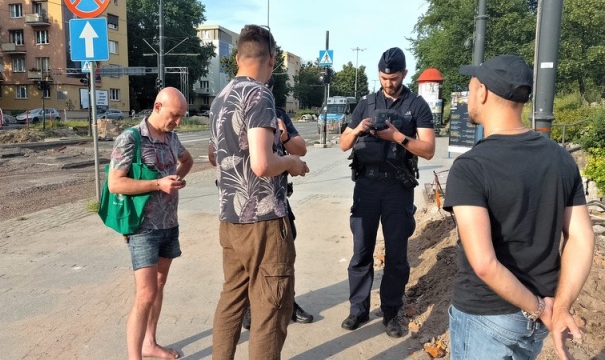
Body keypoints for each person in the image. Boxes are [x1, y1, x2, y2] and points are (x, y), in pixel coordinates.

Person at [444, 55, 595, 359]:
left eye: (471, 87)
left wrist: (538, 308)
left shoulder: (470, 168)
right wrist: (559, 307)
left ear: (483, 92)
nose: (469, 96)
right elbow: (581, 237)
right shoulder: (560, 158)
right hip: (538, 318)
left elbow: (484, 264)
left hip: (485, 315)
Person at [208, 25, 309, 360]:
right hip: (263, 219)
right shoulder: (260, 95)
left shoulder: (220, 99)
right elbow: (263, 164)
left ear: (238, 57)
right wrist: (292, 161)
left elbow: (213, 156)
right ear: (272, 60)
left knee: (232, 300)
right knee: (270, 311)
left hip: (230, 218)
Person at [338, 47, 435, 337]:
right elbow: (344, 143)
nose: (388, 83)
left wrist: (397, 136)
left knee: (396, 254)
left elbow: (428, 150)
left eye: (393, 78)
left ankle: (391, 311)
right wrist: (357, 130)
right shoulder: (366, 103)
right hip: (366, 186)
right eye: (383, 77)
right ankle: (358, 309)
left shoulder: (417, 105)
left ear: (404, 74)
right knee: (361, 252)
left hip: (397, 187)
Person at [108, 87, 193, 360]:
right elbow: (114, 183)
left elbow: (187, 160)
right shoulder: (130, 138)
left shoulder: (172, 138)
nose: (178, 122)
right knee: (145, 294)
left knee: (158, 286)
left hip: (169, 224)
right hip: (143, 228)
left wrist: (176, 179)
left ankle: (150, 343)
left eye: (181, 116)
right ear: (157, 107)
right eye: (174, 115)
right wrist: (158, 183)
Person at [240, 76, 314, 330]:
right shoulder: (238, 110)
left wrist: (282, 137)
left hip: (278, 200)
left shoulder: (278, 113)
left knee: (286, 251)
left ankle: (289, 302)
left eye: (267, 86)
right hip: (247, 201)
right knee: (250, 259)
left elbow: (301, 148)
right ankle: (250, 308)